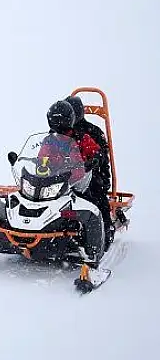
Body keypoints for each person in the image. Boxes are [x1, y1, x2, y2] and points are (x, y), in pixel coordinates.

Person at [45, 100, 109, 261]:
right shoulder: (50, 139)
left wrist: (95, 160)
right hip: (56, 180)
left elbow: (98, 153)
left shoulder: (84, 135)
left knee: (96, 199)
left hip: (81, 178)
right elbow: (43, 156)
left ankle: (103, 235)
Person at [65, 95, 114, 244]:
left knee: (96, 194)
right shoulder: (61, 130)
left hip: (92, 173)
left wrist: (92, 162)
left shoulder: (92, 131)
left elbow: (101, 155)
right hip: (65, 174)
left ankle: (106, 230)